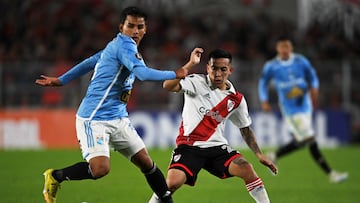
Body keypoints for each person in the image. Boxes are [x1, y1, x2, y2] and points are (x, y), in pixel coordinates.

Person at [35, 6, 203, 203]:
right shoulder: (123, 46)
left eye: (139, 26)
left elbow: (91, 61)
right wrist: (176, 73)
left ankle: (166, 200)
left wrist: (62, 80)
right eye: (130, 26)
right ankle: (55, 176)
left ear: (145, 29)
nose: (135, 31)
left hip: (118, 117)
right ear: (121, 27)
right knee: (100, 169)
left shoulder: (115, 46)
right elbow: (143, 74)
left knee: (146, 163)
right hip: (93, 118)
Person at [149, 49, 278, 203]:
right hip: (190, 145)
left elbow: (245, 129)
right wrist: (190, 64)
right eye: (214, 68)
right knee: (171, 184)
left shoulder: (236, 100)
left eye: (223, 69)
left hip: (216, 147)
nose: (217, 74)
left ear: (230, 70)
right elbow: (167, 85)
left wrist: (259, 154)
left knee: (246, 168)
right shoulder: (196, 81)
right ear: (207, 68)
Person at [258, 36, 348, 183]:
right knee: (310, 139)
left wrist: (315, 88)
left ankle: (275, 155)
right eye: (282, 47)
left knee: (303, 140)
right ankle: (331, 174)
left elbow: (312, 76)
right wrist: (264, 100)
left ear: (291, 47)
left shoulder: (300, 61)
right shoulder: (272, 66)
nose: (285, 50)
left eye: (287, 47)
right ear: (278, 49)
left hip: (305, 105)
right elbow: (263, 83)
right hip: (290, 109)